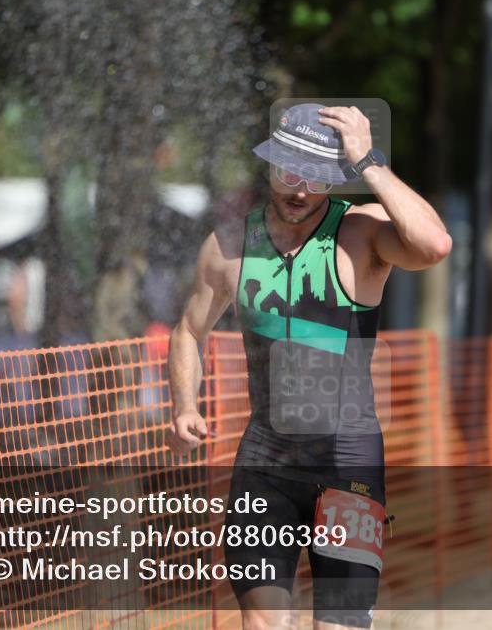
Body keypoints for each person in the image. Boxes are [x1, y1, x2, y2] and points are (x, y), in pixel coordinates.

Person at [166, 102, 451, 629]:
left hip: (348, 465)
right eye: (288, 172)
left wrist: (370, 161)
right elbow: (188, 330)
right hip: (265, 465)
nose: (299, 190)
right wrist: (184, 405)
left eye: (317, 178)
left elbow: (434, 244)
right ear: (270, 165)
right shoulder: (231, 245)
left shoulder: (361, 234)